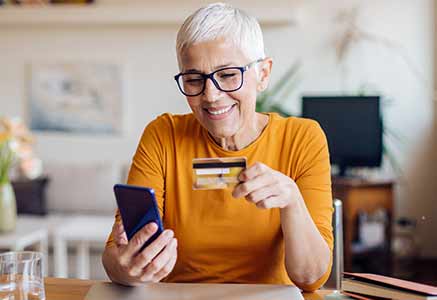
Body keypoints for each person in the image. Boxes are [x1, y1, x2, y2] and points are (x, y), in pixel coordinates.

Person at [102, 2, 333, 292]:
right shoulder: (163, 135)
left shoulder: (302, 138)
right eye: (194, 79)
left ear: (263, 74)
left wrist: (292, 202)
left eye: (227, 75)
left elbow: (310, 279)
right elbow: (114, 256)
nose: (211, 96)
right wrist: (129, 269)